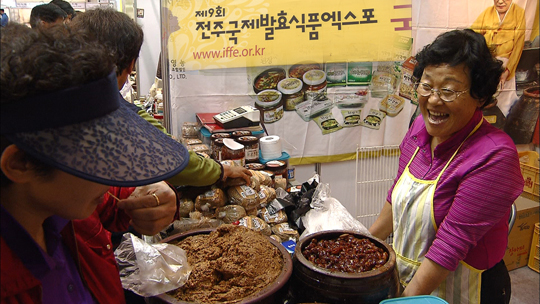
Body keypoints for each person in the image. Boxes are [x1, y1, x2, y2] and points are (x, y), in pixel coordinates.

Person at [0, 23, 190, 303]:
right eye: (95, 155)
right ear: (20, 163)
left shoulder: (62, 203)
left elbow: (113, 205)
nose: (115, 172)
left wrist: (152, 197)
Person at [369, 29, 524, 304]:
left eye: (448, 90)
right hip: (410, 279)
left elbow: (450, 245)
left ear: (479, 96)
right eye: (427, 86)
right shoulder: (419, 129)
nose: (433, 100)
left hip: (466, 290)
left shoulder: (494, 156)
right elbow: (396, 199)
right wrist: (359, 243)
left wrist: (403, 301)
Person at [69, 7, 251, 187]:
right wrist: (220, 170)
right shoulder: (111, 112)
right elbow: (169, 155)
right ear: (130, 65)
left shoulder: (60, 97)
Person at [471, 0, 526, 116]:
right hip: (486, 62)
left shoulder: (519, 13)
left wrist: (507, 71)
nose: (500, 1)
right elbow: (472, 35)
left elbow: (518, 47)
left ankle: (502, 121)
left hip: (506, 63)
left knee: (504, 101)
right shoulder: (487, 12)